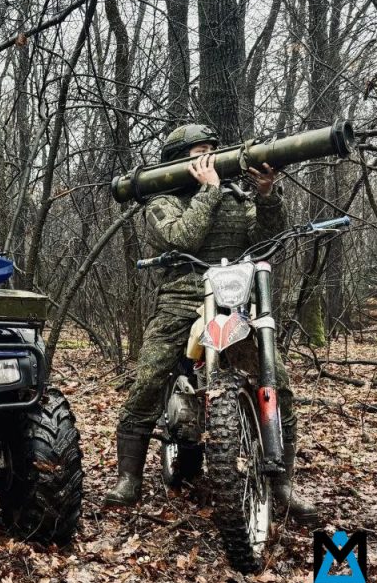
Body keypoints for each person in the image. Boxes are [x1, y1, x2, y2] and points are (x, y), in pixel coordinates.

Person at [103, 123, 318, 525]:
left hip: (234, 298)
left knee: (279, 384)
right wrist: (208, 190)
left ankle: (282, 484)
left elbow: (267, 238)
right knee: (149, 378)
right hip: (182, 297)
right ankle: (128, 476)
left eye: (211, 151)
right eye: (197, 153)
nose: (207, 160)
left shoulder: (236, 196)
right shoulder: (162, 200)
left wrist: (267, 194)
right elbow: (183, 238)